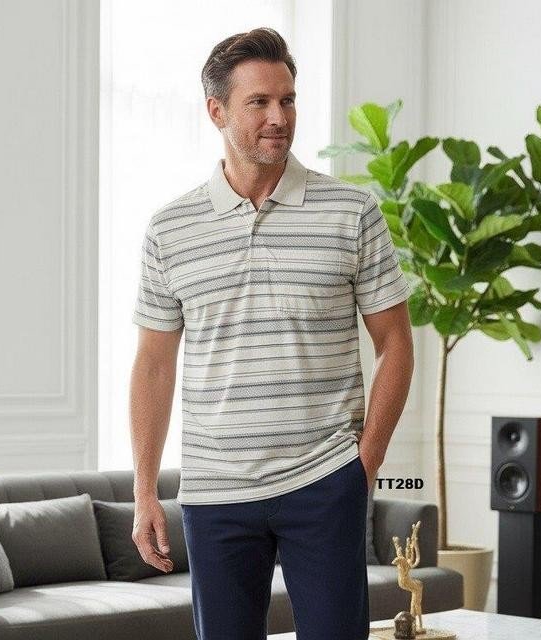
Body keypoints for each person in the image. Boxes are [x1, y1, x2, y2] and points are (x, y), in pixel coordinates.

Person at [129, 26, 414, 640]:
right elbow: (153, 364)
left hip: (324, 480)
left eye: (287, 100)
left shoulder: (352, 213)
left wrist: (362, 465)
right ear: (217, 111)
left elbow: (396, 343)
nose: (279, 117)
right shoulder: (169, 229)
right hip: (214, 492)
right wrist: (144, 489)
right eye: (258, 102)